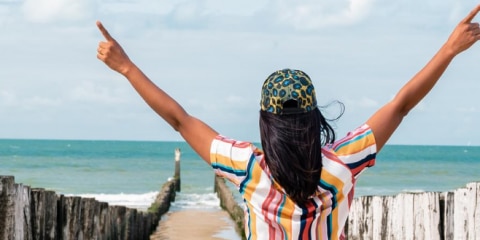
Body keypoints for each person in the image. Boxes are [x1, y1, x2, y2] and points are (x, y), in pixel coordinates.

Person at [96, 4, 480, 240]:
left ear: (266, 121)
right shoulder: (342, 163)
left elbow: (180, 120)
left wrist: (126, 67)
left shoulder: (249, 168)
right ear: (314, 118)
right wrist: (449, 49)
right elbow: (400, 107)